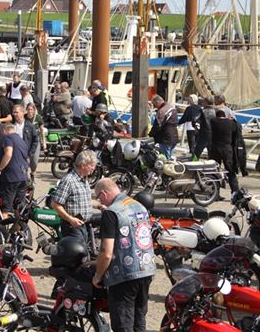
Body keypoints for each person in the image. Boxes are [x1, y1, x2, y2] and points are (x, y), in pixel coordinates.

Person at [92, 178, 155, 332]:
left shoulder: (111, 213)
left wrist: (98, 276)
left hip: (125, 275)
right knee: (139, 321)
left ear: (104, 193)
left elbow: (106, 253)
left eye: (98, 196)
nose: (100, 201)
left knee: (123, 324)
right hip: (146, 269)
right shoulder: (139, 205)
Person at [51, 150, 98, 244]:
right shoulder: (69, 180)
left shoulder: (84, 180)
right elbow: (55, 204)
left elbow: (84, 200)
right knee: (77, 255)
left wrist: (100, 205)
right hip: (72, 227)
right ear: (83, 165)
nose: (94, 168)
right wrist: (71, 219)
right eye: (92, 165)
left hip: (83, 225)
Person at [0, 123, 29, 218]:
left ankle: (3, 231)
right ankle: (17, 230)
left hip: (11, 177)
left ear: (5, 131)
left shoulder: (8, 138)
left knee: (5, 208)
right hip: (23, 177)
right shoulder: (21, 140)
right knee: (18, 207)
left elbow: (8, 154)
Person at [210, 110, 240, 193]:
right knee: (230, 170)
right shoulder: (230, 123)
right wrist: (231, 119)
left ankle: (215, 192)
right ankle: (235, 191)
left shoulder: (213, 121)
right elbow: (237, 130)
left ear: (217, 115)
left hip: (215, 148)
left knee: (214, 170)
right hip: (227, 149)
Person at [149, 95, 179, 159]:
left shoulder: (162, 111)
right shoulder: (172, 108)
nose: (154, 107)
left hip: (166, 138)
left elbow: (157, 126)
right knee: (169, 156)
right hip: (174, 136)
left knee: (164, 159)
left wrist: (150, 134)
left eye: (154, 104)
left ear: (157, 102)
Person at [26, 102, 46, 178]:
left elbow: (42, 130)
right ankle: (26, 176)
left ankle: (32, 172)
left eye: (31, 109)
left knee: (34, 161)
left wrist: (44, 142)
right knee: (26, 159)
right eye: (28, 109)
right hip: (26, 141)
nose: (30, 111)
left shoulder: (38, 118)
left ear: (34, 110)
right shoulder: (24, 118)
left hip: (35, 141)